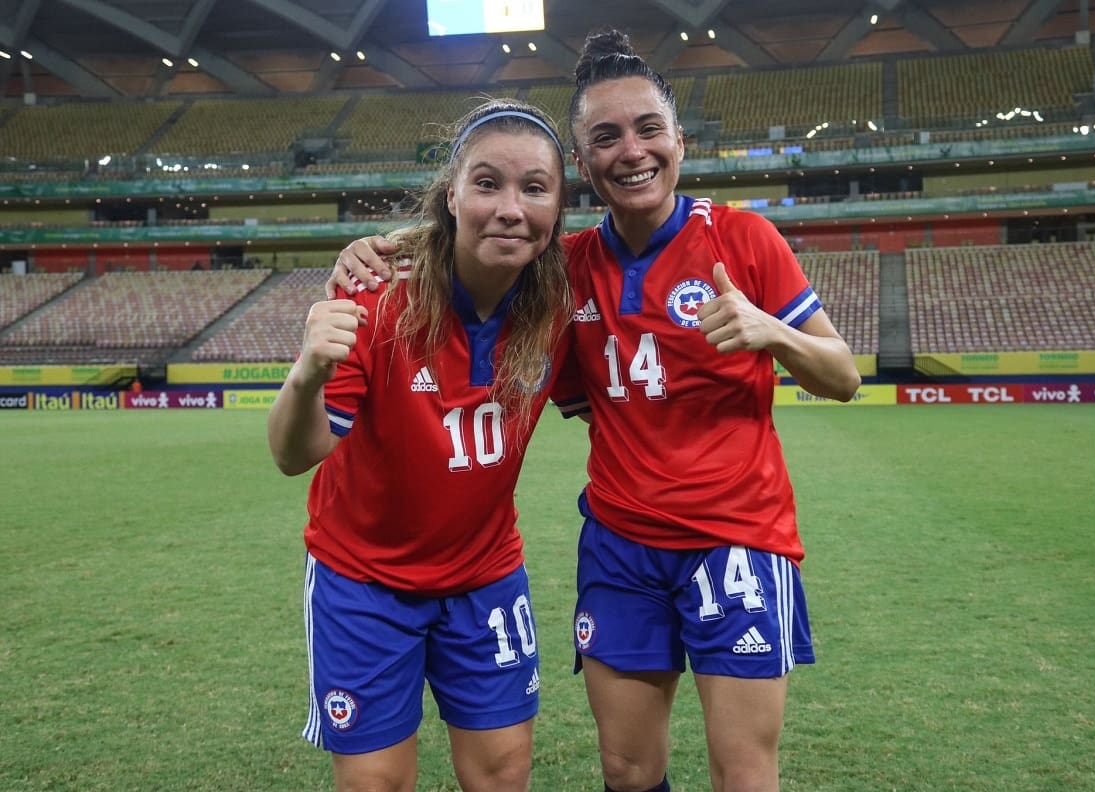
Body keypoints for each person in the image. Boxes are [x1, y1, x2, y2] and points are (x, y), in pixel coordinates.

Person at [329, 30, 861, 792]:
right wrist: (378, 245)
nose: (632, 151)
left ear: (679, 140)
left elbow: (842, 376)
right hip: (620, 546)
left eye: (649, 129)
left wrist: (770, 332)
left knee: (744, 772)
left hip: (737, 539)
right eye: (606, 137)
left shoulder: (744, 239)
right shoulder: (567, 270)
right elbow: (479, 240)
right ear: (582, 164)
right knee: (626, 768)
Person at [270, 98, 571, 792]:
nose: (510, 208)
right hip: (364, 581)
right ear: (452, 195)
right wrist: (306, 374)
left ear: (558, 209)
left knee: (503, 773)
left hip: (485, 576)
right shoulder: (377, 297)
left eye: (534, 188)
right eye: (487, 183)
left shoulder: (561, 298)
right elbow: (292, 454)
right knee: (375, 782)